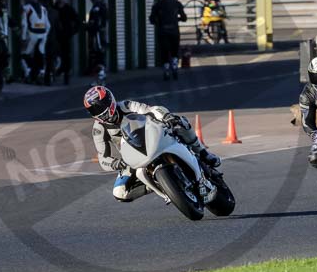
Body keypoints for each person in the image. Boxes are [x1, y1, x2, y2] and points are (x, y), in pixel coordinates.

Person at [83, 85, 221, 202]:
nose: (100, 112)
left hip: (151, 137)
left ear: (110, 101)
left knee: (181, 123)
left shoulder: (126, 106)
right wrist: (116, 163)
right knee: (119, 192)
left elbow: (150, 109)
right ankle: (162, 186)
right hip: (132, 158)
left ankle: (204, 153)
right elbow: (103, 157)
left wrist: (166, 117)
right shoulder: (98, 129)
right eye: (94, 110)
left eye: (100, 107)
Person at [149, 0, 187, 80]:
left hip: (162, 31)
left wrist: (159, 22)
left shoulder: (157, 5)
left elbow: (152, 19)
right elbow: (184, 18)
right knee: (174, 51)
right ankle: (174, 66)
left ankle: (166, 70)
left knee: (164, 52)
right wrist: (177, 19)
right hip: (174, 31)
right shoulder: (177, 3)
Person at [20, 0, 50, 83]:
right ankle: (41, 73)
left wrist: (23, 38)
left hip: (32, 34)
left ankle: (27, 74)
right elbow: (48, 25)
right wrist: (46, 35)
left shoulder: (26, 8)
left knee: (24, 55)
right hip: (43, 34)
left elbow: (24, 24)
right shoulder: (43, 9)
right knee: (41, 54)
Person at [54, 0, 81, 85]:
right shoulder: (54, 8)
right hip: (55, 36)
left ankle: (66, 76)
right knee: (55, 55)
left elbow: (77, 21)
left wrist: (73, 31)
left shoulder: (69, 8)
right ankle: (56, 72)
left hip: (65, 36)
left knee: (66, 56)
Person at [86, 0, 108, 83]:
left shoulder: (97, 7)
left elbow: (97, 21)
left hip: (97, 34)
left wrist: (93, 26)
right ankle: (99, 76)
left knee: (99, 54)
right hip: (98, 33)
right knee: (98, 54)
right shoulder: (100, 6)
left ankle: (101, 76)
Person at [38, 0, 61, 85]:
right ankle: (50, 77)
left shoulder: (40, 12)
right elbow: (58, 27)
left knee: (43, 59)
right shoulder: (55, 12)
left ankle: (44, 77)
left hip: (43, 38)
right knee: (50, 60)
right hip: (52, 39)